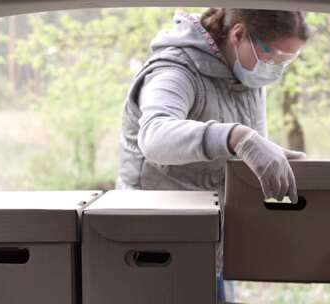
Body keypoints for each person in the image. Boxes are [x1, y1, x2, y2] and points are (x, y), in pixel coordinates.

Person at [117, 8, 309, 302]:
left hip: (213, 240)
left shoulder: (248, 78)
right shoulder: (175, 70)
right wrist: (236, 136)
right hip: (155, 248)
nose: (275, 69)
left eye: (286, 61)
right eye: (272, 57)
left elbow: (240, 152)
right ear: (239, 35)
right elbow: (154, 136)